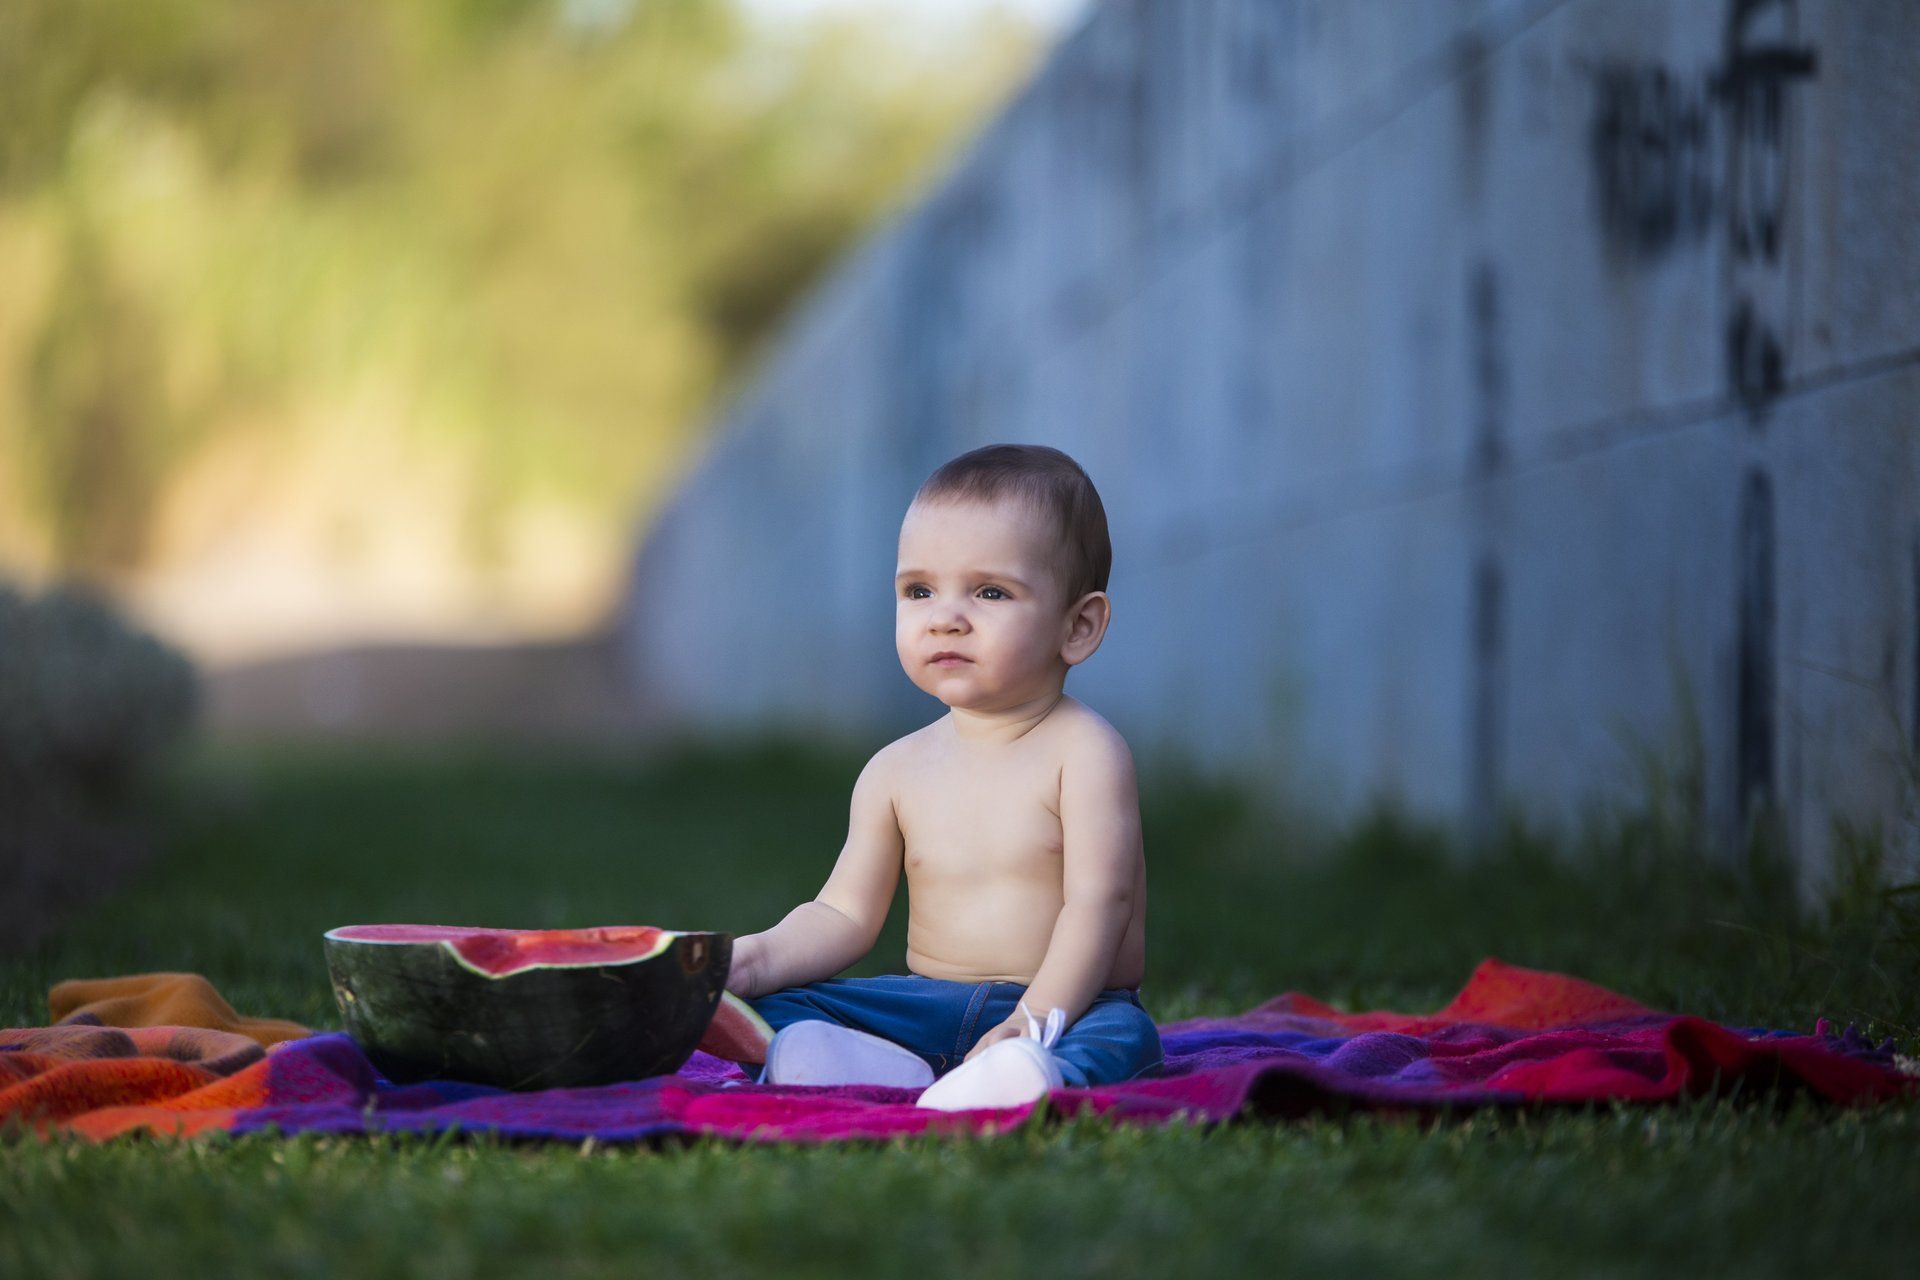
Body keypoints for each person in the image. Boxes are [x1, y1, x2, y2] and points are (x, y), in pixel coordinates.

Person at [724, 443, 1161, 1110]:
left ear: (1078, 626)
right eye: (919, 590)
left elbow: (1100, 904)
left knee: (1123, 1037)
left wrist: (1036, 1016)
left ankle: (1030, 1072)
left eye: (990, 591)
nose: (945, 615)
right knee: (778, 1005)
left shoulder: (1087, 754)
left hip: (1070, 1001)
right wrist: (749, 961)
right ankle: (884, 1066)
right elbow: (842, 913)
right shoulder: (893, 770)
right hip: (926, 1004)